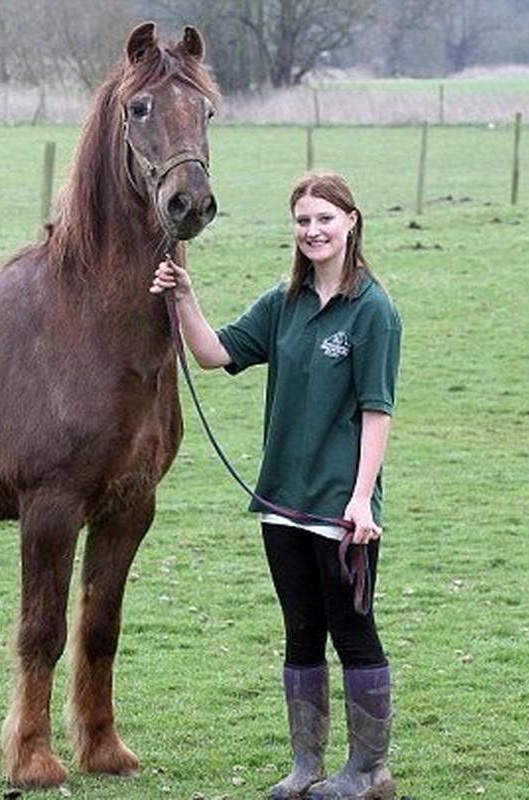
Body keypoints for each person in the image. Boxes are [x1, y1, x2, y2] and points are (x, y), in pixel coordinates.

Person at [150, 172, 401, 800]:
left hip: (340, 509)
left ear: (351, 222)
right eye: (303, 220)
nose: (313, 231)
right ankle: (306, 766)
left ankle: (369, 771)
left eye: (325, 219)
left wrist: (361, 498)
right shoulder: (283, 303)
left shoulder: (373, 311)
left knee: (353, 633)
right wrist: (184, 298)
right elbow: (214, 354)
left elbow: (377, 410)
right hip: (281, 503)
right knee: (300, 631)